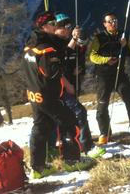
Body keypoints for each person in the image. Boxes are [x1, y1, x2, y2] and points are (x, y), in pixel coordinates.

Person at [23, 11, 90, 178]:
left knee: (40, 127)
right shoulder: (46, 48)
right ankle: (72, 161)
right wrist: (62, 65)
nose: (55, 26)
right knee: (69, 122)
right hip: (48, 95)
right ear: (44, 26)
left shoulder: (30, 44)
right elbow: (52, 72)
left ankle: (37, 168)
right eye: (52, 23)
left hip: (33, 93)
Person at [90, 12, 130, 145]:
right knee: (102, 104)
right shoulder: (99, 38)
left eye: (115, 20)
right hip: (103, 75)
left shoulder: (124, 35)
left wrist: (124, 45)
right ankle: (104, 133)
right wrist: (106, 60)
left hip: (120, 74)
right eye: (110, 21)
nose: (113, 23)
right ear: (105, 24)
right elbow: (92, 56)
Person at [53, 13, 103, 157]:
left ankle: (70, 144)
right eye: (63, 26)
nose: (67, 29)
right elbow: (61, 59)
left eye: (69, 26)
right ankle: (87, 146)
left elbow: (80, 57)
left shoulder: (72, 42)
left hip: (73, 84)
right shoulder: (55, 43)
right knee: (78, 112)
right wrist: (74, 40)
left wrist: (79, 69)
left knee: (68, 116)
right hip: (60, 88)